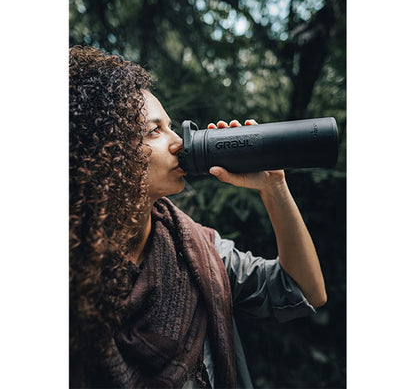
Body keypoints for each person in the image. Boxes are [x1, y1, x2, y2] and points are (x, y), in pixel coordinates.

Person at [69, 45, 327, 389]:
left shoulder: (198, 251)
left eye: (171, 127)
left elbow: (304, 290)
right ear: (105, 153)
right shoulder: (75, 275)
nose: (178, 142)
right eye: (154, 131)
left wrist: (273, 186)